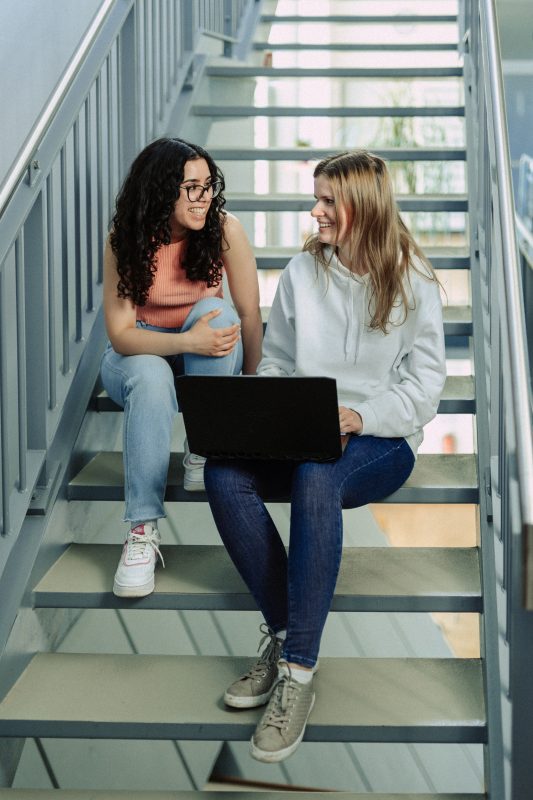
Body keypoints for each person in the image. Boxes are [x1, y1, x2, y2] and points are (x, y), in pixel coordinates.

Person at [204, 150, 446, 763]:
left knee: (317, 475)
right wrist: (265, 415)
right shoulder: (302, 272)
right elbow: (280, 361)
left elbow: (424, 390)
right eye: (317, 198)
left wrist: (360, 417)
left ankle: (298, 675)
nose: (316, 212)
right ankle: (287, 635)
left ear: (363, 206)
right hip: (305, 429)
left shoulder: (414, 280)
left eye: (328, 201)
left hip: (380, 440)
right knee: (223, 471)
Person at [101, 137, 262, 598]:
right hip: (133, 358)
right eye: (191, 187)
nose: (203, 197)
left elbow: (249, 315)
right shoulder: (125, 240)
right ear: (160, 190)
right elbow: (121, 334)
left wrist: (248, 391)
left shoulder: (225, 229)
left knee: (222, 314)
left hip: (203, 358)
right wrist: (184, 341)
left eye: (208, 186)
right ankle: (141, 532)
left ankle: (201, 445)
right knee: (151, 375)